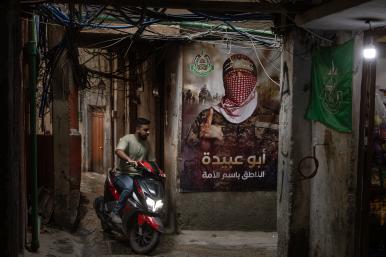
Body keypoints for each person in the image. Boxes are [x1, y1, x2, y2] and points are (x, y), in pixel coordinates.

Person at [184, 53, 278, 191]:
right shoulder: (206, 117)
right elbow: (188, 165)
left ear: (254, 81)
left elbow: (277, 165)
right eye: (233, 75)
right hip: (213, 197)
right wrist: (204, 146)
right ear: (224, 81)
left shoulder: (271, 119)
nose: (239, 80)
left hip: (258, 199)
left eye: (245, 75)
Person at [110, 117, 155, 223]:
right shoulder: (127, 139)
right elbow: (118, 151)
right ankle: (115, 213)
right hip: (123, 174)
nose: (148, 132)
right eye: (145, 130)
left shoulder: (148, 144)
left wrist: (158, 172)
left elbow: (152, 161)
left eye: (148, 130)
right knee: (129, 187)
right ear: (138, 129)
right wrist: (129, 160)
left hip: (139, 176)